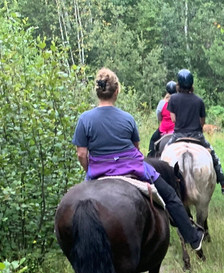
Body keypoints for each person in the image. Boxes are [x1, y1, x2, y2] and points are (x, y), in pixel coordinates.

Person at [73, 68, 204, 250]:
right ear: (117, 91)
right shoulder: (127, 118)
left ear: (97, 92)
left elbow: (81, 154)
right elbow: (136, 149)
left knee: (76, 203)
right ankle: (193, 238)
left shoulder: (84, 119)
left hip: (99, 170)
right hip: (132, 167)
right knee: (171, 196)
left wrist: (90, 170)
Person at [164, 68, 224, 194]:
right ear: (191, 84)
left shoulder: (173, 99)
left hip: (178, 135)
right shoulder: (199, 100)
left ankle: (159, 184)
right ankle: (223, 184)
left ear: (178, 84)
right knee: (214, 157)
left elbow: (173, 119)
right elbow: (202, 122)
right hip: (197, 136)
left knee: (164, 155)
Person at [149, 80, 176, 154]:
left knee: (153, 139)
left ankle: (150, 155)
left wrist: (162, 119)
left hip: (164, 128)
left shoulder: (162, 102)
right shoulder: (178, 101)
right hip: (175, 129)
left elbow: (158, 115)